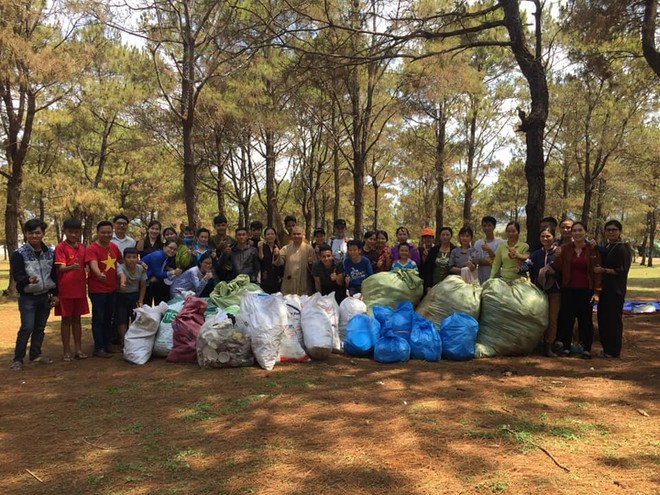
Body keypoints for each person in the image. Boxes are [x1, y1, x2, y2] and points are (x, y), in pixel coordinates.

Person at [10, 219, 58, 370]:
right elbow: (17, 275)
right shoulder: (19, 254)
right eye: (31, 233)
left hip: (45, 296)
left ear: (43, 233)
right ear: (25, 234)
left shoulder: (50, 252)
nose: (34, 236)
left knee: (40, 327)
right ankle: (18, 359)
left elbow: (54, 275)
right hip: (28, 297)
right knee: (27, 327)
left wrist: (55, 294)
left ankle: (35, 355)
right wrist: (26, 280)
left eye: (38, 232)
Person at [550, 221, 601, 359]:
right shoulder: (565, 248)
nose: (577, 233)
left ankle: (586, 349)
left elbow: (596, 272)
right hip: (568, 289)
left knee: (586, 321)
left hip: (586, 290)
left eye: (580, 230)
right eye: (574, 231)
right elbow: (558, 268)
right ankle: (566, 347)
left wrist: (597, 292)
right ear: (571, 233)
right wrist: (557, 256)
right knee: (568, 319)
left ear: (585, 232)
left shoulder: (592, 249)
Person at [521, 228, 561, 357]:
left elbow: (565, 271)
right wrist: (520, 268)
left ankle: (549, 346)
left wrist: (554, 273)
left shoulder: (558, 253)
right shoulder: (536, 254)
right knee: (537, 317)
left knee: (552, 318)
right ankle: (537, 344)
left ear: (554, 237)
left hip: (555, 291)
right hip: (538, 291)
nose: (545, 239)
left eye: (548, 236)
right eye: (542, 236)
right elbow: (528, 264)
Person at [595, 220, 632, 358]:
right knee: (603, 319)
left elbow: (622, 270)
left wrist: (603, 270)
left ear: (619, 232)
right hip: (604, 289)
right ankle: (606, 349)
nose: (611, 232)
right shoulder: (608, 246)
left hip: (615, 290)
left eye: (614, 230)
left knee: (613, 321)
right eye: (608, 230)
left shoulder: (622, 247)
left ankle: (614, 350)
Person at [86, 220, 122, 358]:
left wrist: (139, 264)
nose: (106, 234)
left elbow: (121, 261)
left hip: (112, 288)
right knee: (99, 318)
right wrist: (97, 273)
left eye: (109, 232)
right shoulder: (92, 248)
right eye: (103, 232)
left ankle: (107, 344)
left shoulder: (113, 246)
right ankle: (98, 347)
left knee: (109, 318)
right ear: (98, 233)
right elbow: (92, 263)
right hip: (98, 290)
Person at [54, 218, 89, 361]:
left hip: (80, 289)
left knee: (77, 319)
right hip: (65, 289)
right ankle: (66, 351)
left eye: (76, 232)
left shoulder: (82, 247)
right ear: (64, 232)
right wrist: (71, 267)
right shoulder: (60, 247)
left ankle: (78, 349)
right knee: (66, 319)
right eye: (70, 232)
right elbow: (60, 268)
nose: (73, 235)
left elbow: (88, 264)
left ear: (80, 232)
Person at [115, 247, 147, 346]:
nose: (131, 260)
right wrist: (122, 284)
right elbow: (121, 276)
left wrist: (141, 300)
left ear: (137, 259)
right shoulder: (120, 267)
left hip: (134, 296)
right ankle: (124, 342)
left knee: (135, 319)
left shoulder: (141, 269)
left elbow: (143, 285)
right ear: (124, 259)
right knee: (122, 319)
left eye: (134, 257)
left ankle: (133, 341)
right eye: (128, 257)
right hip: (121, 296)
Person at [273, 225, 316, 295]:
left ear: (303, 235)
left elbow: (314, 268)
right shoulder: (286, 248)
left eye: (298, 234)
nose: (296, 236)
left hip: (304, 285)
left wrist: (310, 263)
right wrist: (276, 255)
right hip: (289, 284)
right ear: (291, 235)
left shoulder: (309, 249)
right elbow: (279, 262)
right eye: (294, 234)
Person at [142, 240, 180, 305]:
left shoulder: (165, 256)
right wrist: (173, 272)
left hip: (149, 282)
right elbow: (158, 274)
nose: (172, 251)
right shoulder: (158, 255)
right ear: (164, 247)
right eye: (170, 248)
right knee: (146, 305)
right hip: (143, 282)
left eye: (175, 249)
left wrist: (168, 269)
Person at [473, 216, 504, 283]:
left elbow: (499, 262)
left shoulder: (500, 243)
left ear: (494, 226)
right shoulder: (478, 243)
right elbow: (475, 260)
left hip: (496, 279)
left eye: (489, 225)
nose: (487, 228)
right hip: (481, 278)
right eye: (484, 226)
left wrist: (489, 251)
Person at [258, 227, 282, 294]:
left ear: (275, 236)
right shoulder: (262, 246)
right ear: (265, 236)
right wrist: (260, 248)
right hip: (265, 276)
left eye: (272, 234)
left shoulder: (278, 247)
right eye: (268, 234)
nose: (270, 236)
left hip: (276, 277)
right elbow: (261, 258)